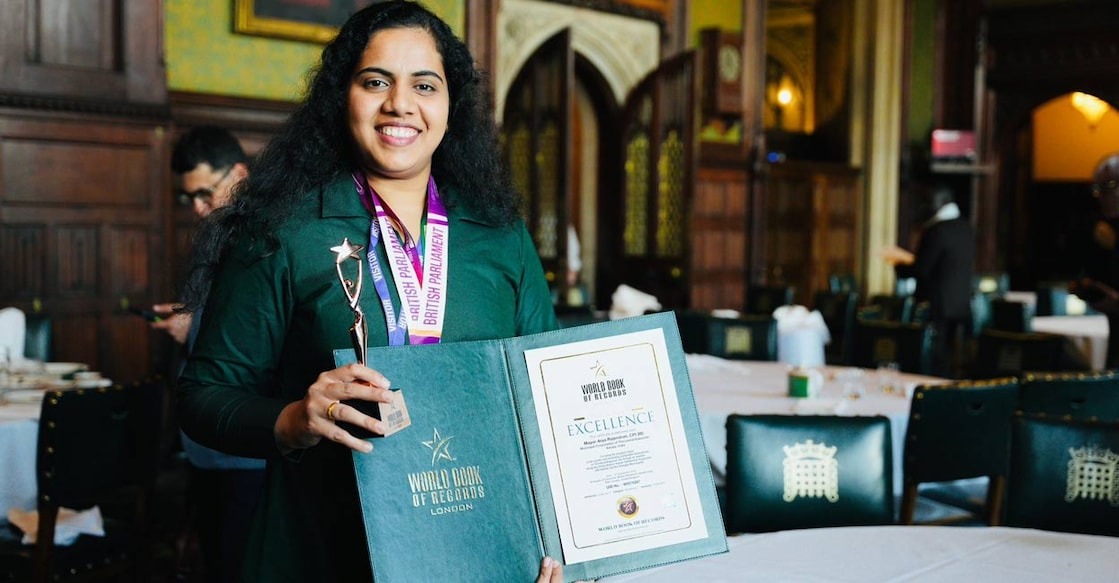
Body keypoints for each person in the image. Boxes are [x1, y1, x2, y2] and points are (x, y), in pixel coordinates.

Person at [176, 3, 561, 581]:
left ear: (450, 105)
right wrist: (292, 420)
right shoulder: (282, 232)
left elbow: (549, 398)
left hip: (482, 549)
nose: (400, 103)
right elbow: (203, 397)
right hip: (323, 552)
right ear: (343, 97)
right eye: (376, 81)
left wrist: (560, 544)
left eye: (424, 85)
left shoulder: (500, 234)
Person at [159, 126, 265, 583]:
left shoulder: (267, 235)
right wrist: (192, 320)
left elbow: (262, 337)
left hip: (246, 447)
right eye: (190, 198)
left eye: (205, 193)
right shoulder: (221, 232)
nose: (198, 208)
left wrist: (195, 326)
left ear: (238, 174)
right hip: (207, 445)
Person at [880, 182, 975, 377]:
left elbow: (921, 269)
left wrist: (897, 263)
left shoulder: (936, 231)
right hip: (960, 303)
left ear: (939, 203)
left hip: (936, 305)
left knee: (933, 359)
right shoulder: (966, 228)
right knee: (950, 356)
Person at [1071, 152, 1119, 368]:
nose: (1101, 196)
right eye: (1098, 188)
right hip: (1106, 323)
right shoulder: (1094, 225)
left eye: (1108, 187)